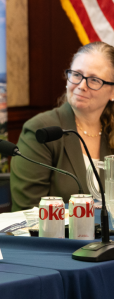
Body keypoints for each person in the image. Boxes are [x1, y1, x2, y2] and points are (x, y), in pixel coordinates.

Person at [11, 41, 114, 210]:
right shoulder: (40, 131)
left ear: (112, 92)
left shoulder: (110, 129)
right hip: (57, 236)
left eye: (94, 80)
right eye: (77, 75)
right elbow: (28, 212)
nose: (81, 86)